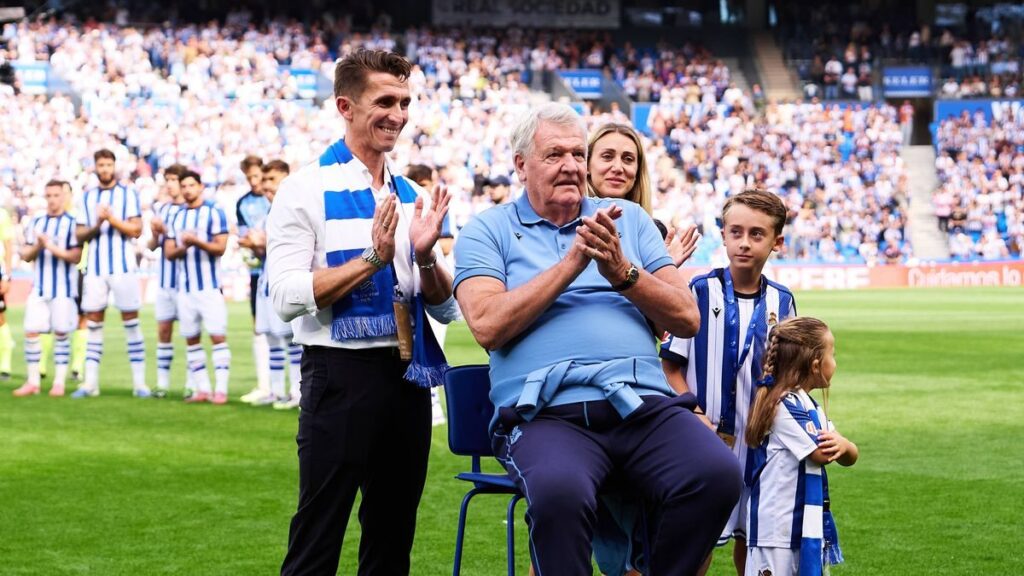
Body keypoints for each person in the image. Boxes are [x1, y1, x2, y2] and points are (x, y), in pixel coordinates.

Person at [453, 103, 741, 575]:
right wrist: (572, 264)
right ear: (521, 164)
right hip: (547, 415)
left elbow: (687, 318)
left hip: (640, 408)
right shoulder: (488, 229)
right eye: (554, 155)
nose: (570, 165)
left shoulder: (626, 217)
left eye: (575, 153)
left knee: (715, 474)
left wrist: (623, 272)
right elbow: (486, 325)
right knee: (559, 493)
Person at [267, 49, 457, 576]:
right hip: (339, 374)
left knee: (393, 539)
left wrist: (424, 257)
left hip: (407, 378)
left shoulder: (413, 194)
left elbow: (446, 309)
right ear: (345, 106)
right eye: (385, 101)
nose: (398, 114)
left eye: (404, 101)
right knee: (318, 537)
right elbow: (283, 296)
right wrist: (372, 259)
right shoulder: (304, 188)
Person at [660, 189, 797, 576]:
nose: (744, 242)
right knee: (699, 540)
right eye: (736, 232)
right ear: (722, 235)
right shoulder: (699, 292)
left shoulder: (783, 302)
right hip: (703, 439)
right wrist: (695, 413)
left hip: (760, 445)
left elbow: (787, 376)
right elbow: (669, 367)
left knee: (752, 541)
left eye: (757, 234)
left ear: (777, 242)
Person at [744, 317, 859, 576]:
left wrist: (846, 445)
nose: (836, 362)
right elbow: (822, 453)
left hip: (801, 526)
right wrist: (840, 445)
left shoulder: (809, 405)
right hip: (776, 531)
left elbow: (848, 455)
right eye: (833, 354)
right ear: (816, 364)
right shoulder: (784, 405)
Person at [72, 149, 148, 398]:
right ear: (95, 167)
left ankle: (139, 384)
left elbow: (136, 229)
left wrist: (112, 219)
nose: (105, 169)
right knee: (93, 323)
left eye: (108, 164)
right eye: (100, 165)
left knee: (131, 322)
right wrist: (98, 223)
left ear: (114, 166)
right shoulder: (86, 197)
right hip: (95, 268)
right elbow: (80, 235)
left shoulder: (128, 194)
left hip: (123, 268)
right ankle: (90, 383)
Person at [162, 170, 231, 405]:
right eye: (184, 186)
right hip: (185, 289)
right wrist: (185, 246)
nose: (188, 190)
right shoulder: (176, 217)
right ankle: (203, 389)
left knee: (217, 337)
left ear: (201, 187)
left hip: (209, 287)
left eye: (192, 185)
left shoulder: (214, 212)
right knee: (191, 338)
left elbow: (221, 247)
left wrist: (197, 242)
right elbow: (169, 252)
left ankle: (220, 390)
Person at [587, 123, 699, 267]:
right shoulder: (565, 222)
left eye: (628, 159)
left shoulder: (654, 232)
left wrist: (661, 270)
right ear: (587, 165)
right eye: (607, 156)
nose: (618, 168)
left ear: (638, 171)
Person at [13, 180, 82, 397]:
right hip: (40, 287)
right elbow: (25, 255)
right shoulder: (37, 222)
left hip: (64, 288)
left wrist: (50, 246)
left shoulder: (73, 223)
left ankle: (59, 382)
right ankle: (33, 381)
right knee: (31, 332)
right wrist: (39, 246)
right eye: (49, 195)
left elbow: (75, 256)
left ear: (64, 197)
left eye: (56, 195)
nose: (52, 199)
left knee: (62, 334)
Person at [249, 160, 301, 410]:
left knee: (291, 339)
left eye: (272, 180)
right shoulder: (268, 212)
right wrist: (254, 246)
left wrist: (264, 240)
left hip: (286, 282)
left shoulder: (294, 207)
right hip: (266, 282)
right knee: (271, 338)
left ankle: (297, 391)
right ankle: (277, 390)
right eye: (265, 180)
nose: (266, 186)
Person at [148, 164, 190, 399]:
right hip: (164, 281)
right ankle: (162, 383)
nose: (171, 184)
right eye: (168, 180)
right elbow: (152, 246)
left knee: (190, 333)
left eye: (175, 179)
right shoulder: (161, 209)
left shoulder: (194, 209)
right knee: (163, 330)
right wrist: (156, 234)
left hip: (187, 282)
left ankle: (192, 383)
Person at [235, 154, 273, 405]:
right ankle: (265, 385)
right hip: (257, 272)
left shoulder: (277, 200)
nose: (254, 182)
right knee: (260, 328)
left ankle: (291, 388)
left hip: (277, 271)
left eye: (257, 176)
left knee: (286, 332)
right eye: (249, 177)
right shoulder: (243, 203)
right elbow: (243, 238)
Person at [0, 201, 15, 380]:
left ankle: (5, 363)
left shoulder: (2, 215)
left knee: (0, 318)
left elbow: (9, 247)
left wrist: (7, 276)